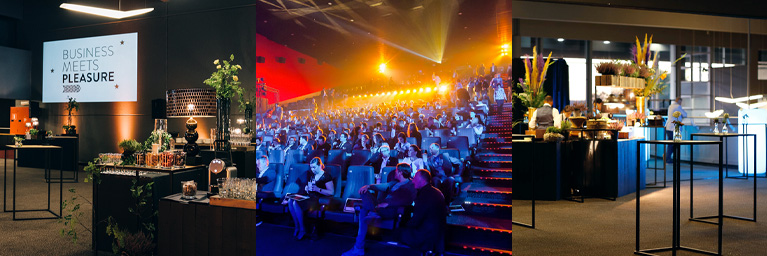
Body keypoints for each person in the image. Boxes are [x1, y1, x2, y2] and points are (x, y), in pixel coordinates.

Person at [342, 163, 417, 256]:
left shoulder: (411, 184)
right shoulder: (395, 182)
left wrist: (388, 203)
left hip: (392, 210)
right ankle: (374, 212)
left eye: (397, 171)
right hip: (380, 206)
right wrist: (369, 186)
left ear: (401, 172)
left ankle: (358, 248)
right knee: (364, 192)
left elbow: (408, 199)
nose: (395, 173)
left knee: (363, 212)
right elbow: (384, 186)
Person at [398, 170, 446, 254]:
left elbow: (417, 220)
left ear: (422, 180)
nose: (413, 181)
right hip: (439, 237)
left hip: (427, 237)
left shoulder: (424, 195)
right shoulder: (437, 192)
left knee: (399, 233)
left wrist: (405, 224)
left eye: (415, 179)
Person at [287, 157, 334, 240]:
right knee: (290, 200)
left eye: (314, 167)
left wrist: (317, 189)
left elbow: (331, 192)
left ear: (320, 166)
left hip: (318, 199)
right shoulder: (312, 175)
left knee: (296, 203)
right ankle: (297, 226)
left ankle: (302, 229)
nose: (312, 169)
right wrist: (307, 189)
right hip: (309, 196)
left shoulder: (326, 176)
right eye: (311, 167)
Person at [665, 97, 687, 163]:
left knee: (670, 144)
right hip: (674, 128)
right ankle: (671, 159)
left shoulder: (670, 106)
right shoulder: (678, 107)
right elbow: (685, 114)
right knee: (675, 144)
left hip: (668, 127)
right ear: (679, 101)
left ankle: (668, 158)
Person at [255, 156, 276, 226]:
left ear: (265, 163)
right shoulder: (258, 174)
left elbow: (265, 179)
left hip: (265, 194)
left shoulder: (271, 172)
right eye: (256, 164)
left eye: (259, 164)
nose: (257, 166)